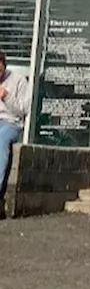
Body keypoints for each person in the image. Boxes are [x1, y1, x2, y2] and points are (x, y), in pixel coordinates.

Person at [0, 50, 32, 210]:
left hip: (10, 123)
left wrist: (6, 96)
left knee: (2, 141)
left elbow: (23, 110)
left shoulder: (18, 81)